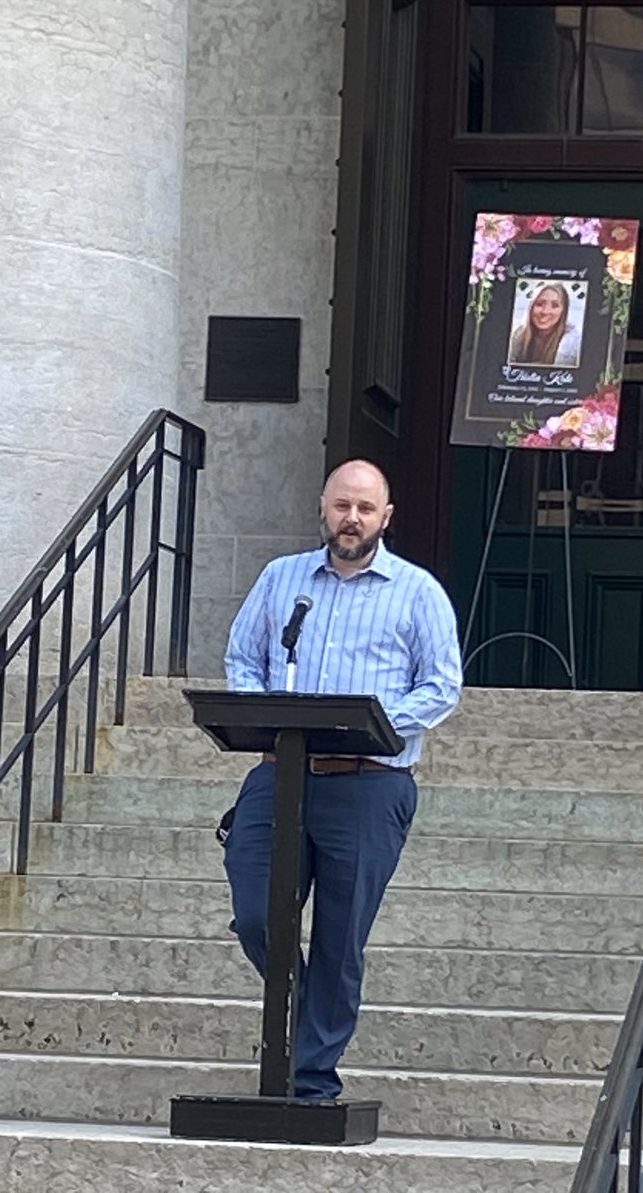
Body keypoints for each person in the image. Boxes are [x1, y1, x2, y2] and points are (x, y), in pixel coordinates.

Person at [222, 458, 462, 1100]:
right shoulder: (282, 580)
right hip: (281, 774)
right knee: (256, 917)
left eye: (364, 508)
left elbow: (441, 686)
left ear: (386, 517)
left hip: (368, 783)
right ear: (321, 508)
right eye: (340, 506)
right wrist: (264, 712)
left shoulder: (417, 592)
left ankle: (309, 1080)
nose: (350, 518)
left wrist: (369, 723)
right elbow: (243, 658)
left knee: (339, 937)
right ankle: (307, 1008)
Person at [509, 281, 581, 367]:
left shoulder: (575, 344)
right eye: (539, 304)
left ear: (563, 311)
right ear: (530, 308)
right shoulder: (516, 335)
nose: (545, 311)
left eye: (555, 306)